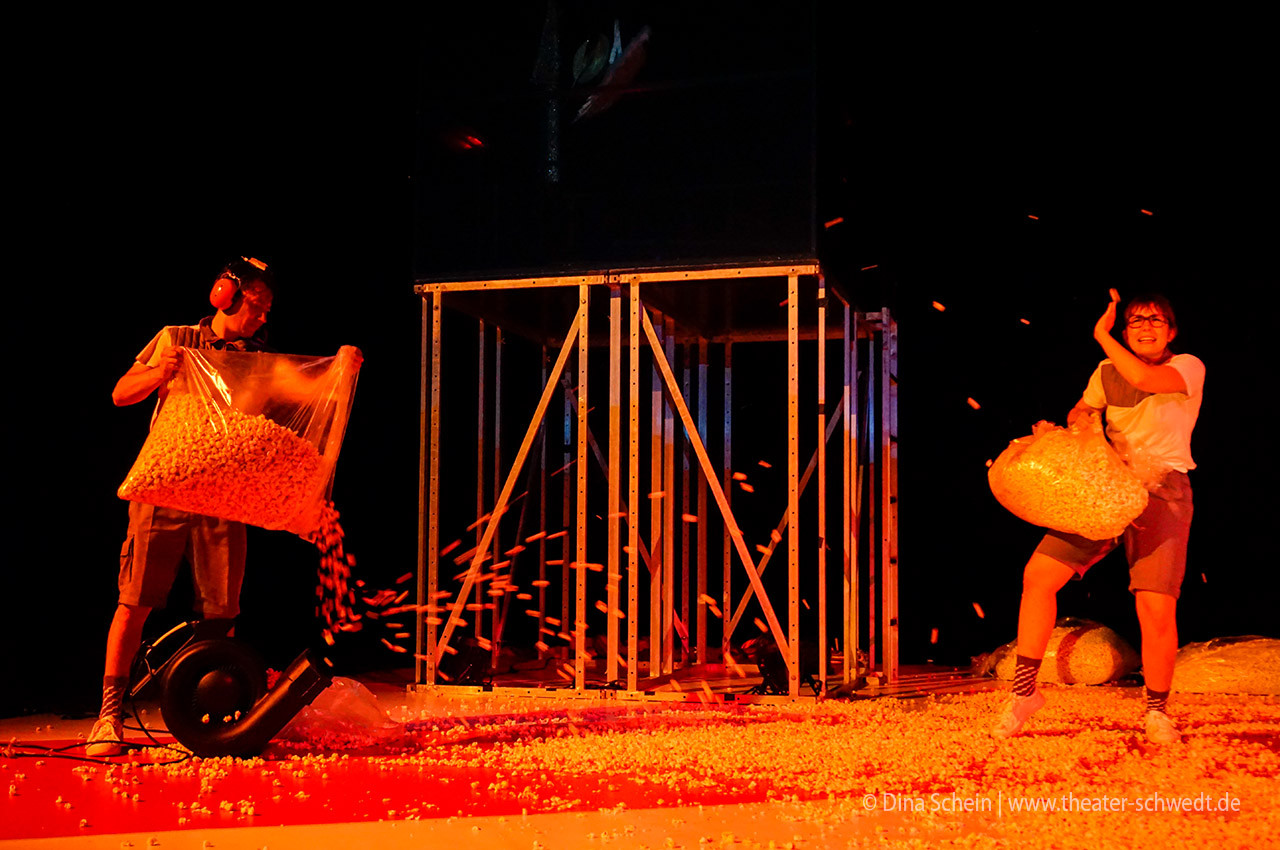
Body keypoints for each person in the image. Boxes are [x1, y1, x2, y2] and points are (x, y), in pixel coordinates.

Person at [991, 289, 1205, 745]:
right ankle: (1024, 694)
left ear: (1171, 331)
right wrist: (1080, 420)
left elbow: (1144, 379)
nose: (1145, 327)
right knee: (1039, 576)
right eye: (1136, 321)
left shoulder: (1188, 366)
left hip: (1163, 492)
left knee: (1155, 604)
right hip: (1107, 489)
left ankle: (1156, 711)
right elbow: (1085, 406)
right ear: (1127, 331)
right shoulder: (1107, 371)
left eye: (1155, 320)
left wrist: (1102, 335)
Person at [87, 257, 276, 756]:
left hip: (223, 495)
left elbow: (299, 390)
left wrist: (340, 365)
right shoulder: (175, 338)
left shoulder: (256, 356)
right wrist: (160, 371)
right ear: (225, 296)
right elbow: (121, 394)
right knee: (135, 600)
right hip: (164, 487)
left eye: (267, 309)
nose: (262, 317)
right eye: (256, 305)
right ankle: (109, 716)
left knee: (222, 610)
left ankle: (201, 715)